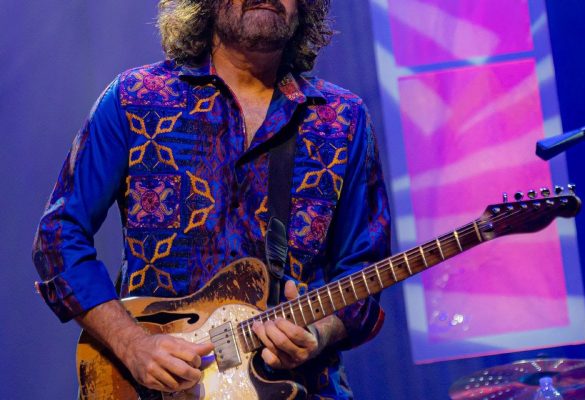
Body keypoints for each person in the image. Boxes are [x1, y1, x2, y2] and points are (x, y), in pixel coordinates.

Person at [32, 0, 391, 397]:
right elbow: (58, 236)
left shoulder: (343, 120)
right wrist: (132, 345)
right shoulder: (136, 98)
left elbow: (363, 272)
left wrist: (319, 333)